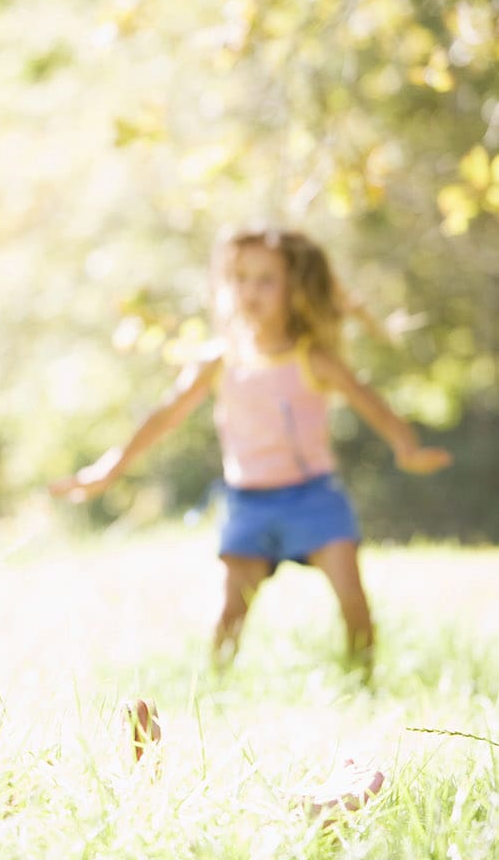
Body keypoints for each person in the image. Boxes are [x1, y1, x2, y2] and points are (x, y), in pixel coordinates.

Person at [51, 226, 451, 672]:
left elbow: (367, 399)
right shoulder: (218, 360)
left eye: (266, 280)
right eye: (241, 278)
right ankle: (216, 688)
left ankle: (364, 680)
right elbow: (165, 415)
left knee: (352, 599)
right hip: (249, 502)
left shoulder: (312, 358)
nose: (250, 290)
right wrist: (110, 466)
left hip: (313, 496)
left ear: (294, 290)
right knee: (229, 614)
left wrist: (406, 445)